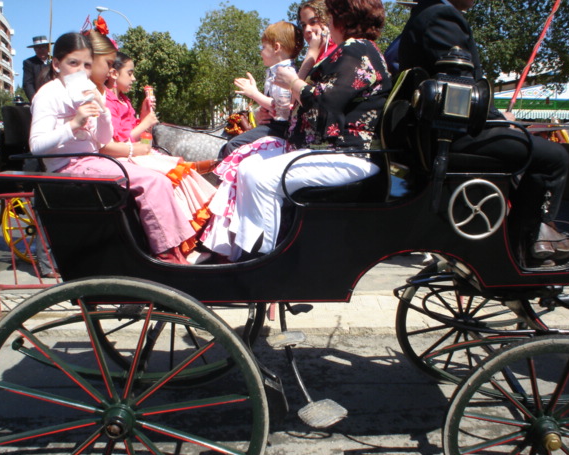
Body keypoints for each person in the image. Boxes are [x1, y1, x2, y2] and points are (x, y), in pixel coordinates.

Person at [396, 0, 569, 264]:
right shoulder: (441, 16)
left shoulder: (424, 15)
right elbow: (458, 88)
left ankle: (532, 231)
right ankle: (529, 244)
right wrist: (498, 119)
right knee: (553, 157)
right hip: (451, 137)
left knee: (528, 149)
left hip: (438, 136)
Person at [202, 0, 391, 261]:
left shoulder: (356, 49)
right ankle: (244, 255)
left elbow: (327, 104)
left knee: (259, 177)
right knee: (246, 168)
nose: (327, 23)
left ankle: (263, 262)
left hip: (350, 155)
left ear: (342, 19)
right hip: (333, 152)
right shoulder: (359, 50)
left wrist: (293, 82)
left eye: (330, 16)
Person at [29, 31, 194, 265]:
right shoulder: (48, 94)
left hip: (93, 161)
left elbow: (102, 139)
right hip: (68, 166)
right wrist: (73, 124)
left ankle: (171, 248)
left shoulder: (88, 91)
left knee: (162, 176)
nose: (81, 71)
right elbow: (36, 147)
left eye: (87, 65)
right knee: (153, 182)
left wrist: (103, 111)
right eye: (73, 63)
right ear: (56, 64)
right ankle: (166, 254)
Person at [102, 51, 216, 262]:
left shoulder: (124, 100)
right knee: (170, 179)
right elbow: (117, 141)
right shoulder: (107, 100)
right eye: (130, 73)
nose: (134, 78)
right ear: (114, 74)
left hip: (137, 153)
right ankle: (176, 248)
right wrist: (145, 122)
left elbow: (142, 138)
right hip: (123, 156)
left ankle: (190, 241)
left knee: (184, 176)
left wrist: (144, 116)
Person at [218, 21, 304, 159]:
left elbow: (282, 109)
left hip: (281, 129)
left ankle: (230, 173)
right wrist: (261, 111)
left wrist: (253, 93)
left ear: (276, 47)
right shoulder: (275, 72)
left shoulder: (285, 73)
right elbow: (272, 105)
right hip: (274, 126)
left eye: (263, 47)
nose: (260, 51)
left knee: (234, 145)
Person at [22, 35, 51, 102]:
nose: (41, 50)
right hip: (39, 99)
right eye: (37, 48)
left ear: (48, 48)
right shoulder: (29, 63)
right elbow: (28, 84)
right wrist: (35, 100)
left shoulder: (55, 61)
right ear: (34, 49)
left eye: (43, 47)